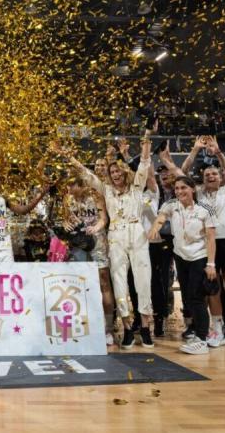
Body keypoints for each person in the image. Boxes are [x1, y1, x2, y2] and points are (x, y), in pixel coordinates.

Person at [161, 133, 225, 350]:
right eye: (207, 174)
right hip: (206, 246)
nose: (211, 176)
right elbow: (179, 173)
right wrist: (193, 150)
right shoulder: (198, 194)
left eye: (215, 174)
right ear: (201, 180)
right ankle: (218, 329)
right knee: (212, 289)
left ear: (220, 176)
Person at [65, 125, 154, 349]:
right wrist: (72, 158)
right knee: (119, 282)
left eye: (118, 171)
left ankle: (145, 327)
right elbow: (87, 174)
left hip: (137, 234)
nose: (115, 174)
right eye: (112, 172)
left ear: (124, 172)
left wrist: (146, 135)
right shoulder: (105, 190)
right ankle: (126, 327)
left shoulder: (137, 187)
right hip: (116, 236)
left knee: (143, 282)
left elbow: (144, 162)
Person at [149, 176, 217, 355]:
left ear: (193, 189)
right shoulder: (172, 204)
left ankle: (202, 339)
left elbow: (211, 238)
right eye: (177, 188)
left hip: (199, 257)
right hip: (181, 257)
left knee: (196, 298)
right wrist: (155, 228)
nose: (179, 191)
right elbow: (161, 217)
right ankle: (197, 332)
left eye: (183, 188)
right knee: (187, 297)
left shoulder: (205, 209)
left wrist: (211, 263)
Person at [63, 175, 115, 344]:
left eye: (72, 185)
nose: (69, 189)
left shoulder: (95, 196)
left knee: (104, 283)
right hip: (78, 245)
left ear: (81, 184)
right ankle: (83, 326)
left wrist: (96, 228)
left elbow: (103, 219)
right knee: (79, 285)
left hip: (97, 243)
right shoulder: (68, 199)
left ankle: (108, 329)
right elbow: (66, 220)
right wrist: (66, 224)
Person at [0, 164, 50, 263]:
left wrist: (40, 195)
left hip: (3, 247)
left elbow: (23, 210)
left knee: (6, 276)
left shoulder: (3, 198)